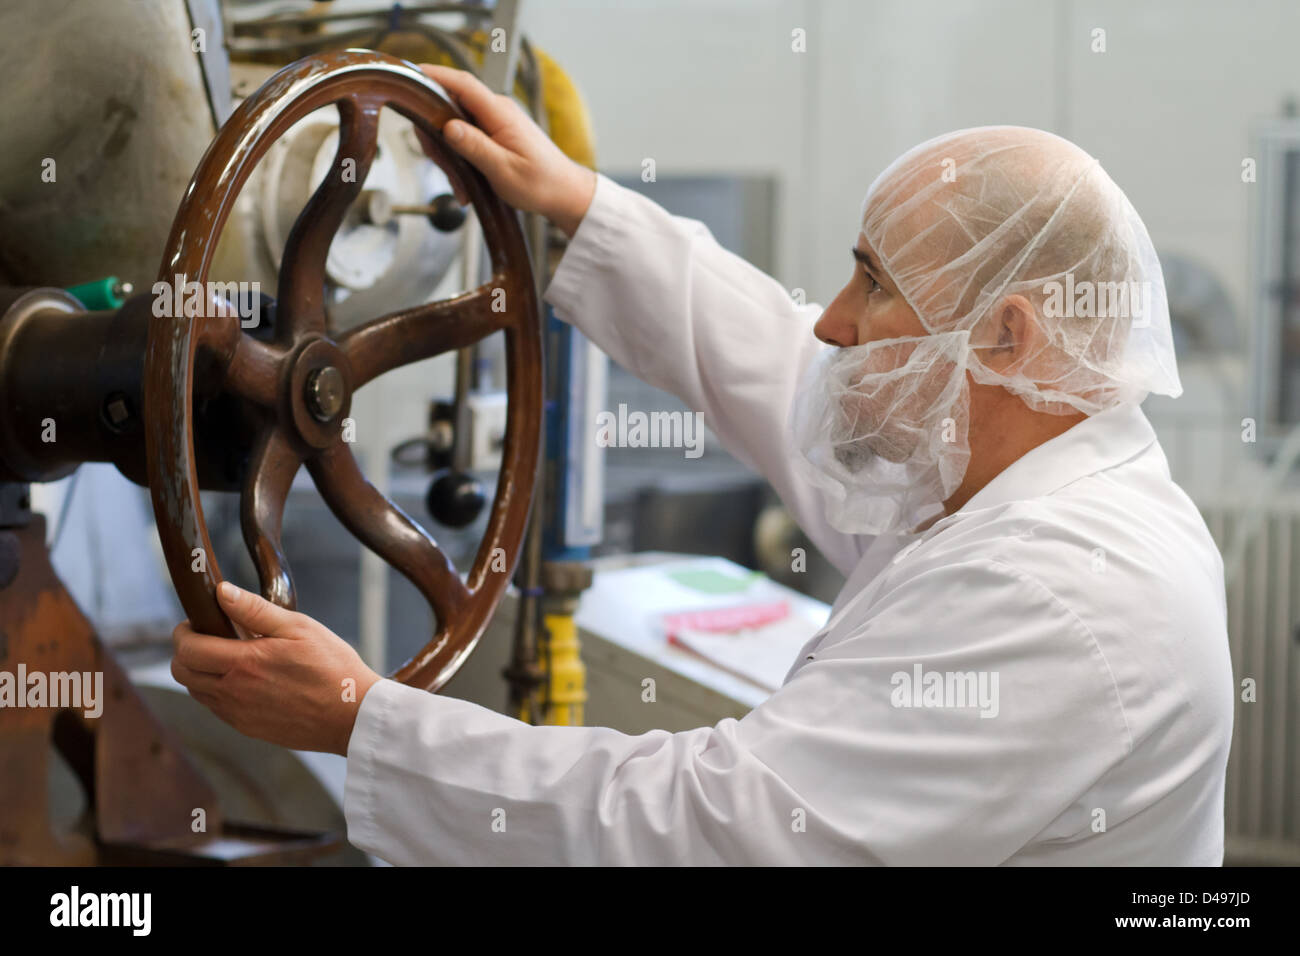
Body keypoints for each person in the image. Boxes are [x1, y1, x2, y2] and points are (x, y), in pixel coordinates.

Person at [170, 65, 1234, 865]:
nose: (832, 322)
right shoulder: (1000, 468)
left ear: (1006, 337)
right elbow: (775, 363)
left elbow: (714, 831)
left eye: (873, 282)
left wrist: (365, 719)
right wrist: (577, 203)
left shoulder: (1056, 592)